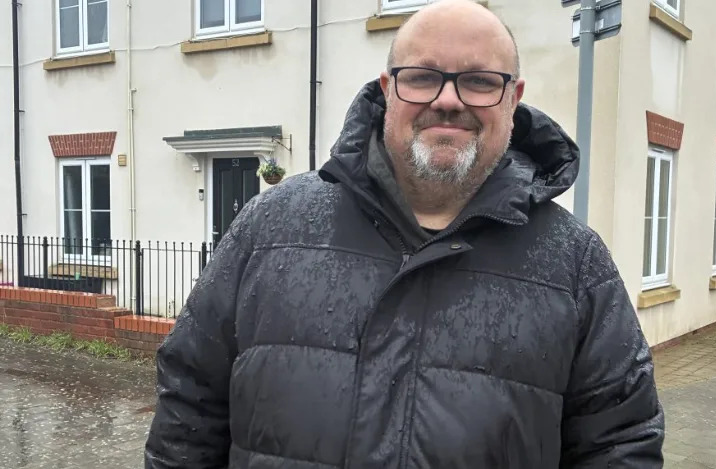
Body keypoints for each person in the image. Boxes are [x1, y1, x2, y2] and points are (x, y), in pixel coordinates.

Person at [144, 0, 665, 467]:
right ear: (388, 88)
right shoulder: (270, 227)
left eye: (480, 81)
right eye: (422, 77)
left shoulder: (575, 264)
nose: (448, 100)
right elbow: (190, 405)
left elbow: (620, 444)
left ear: (514, 98)